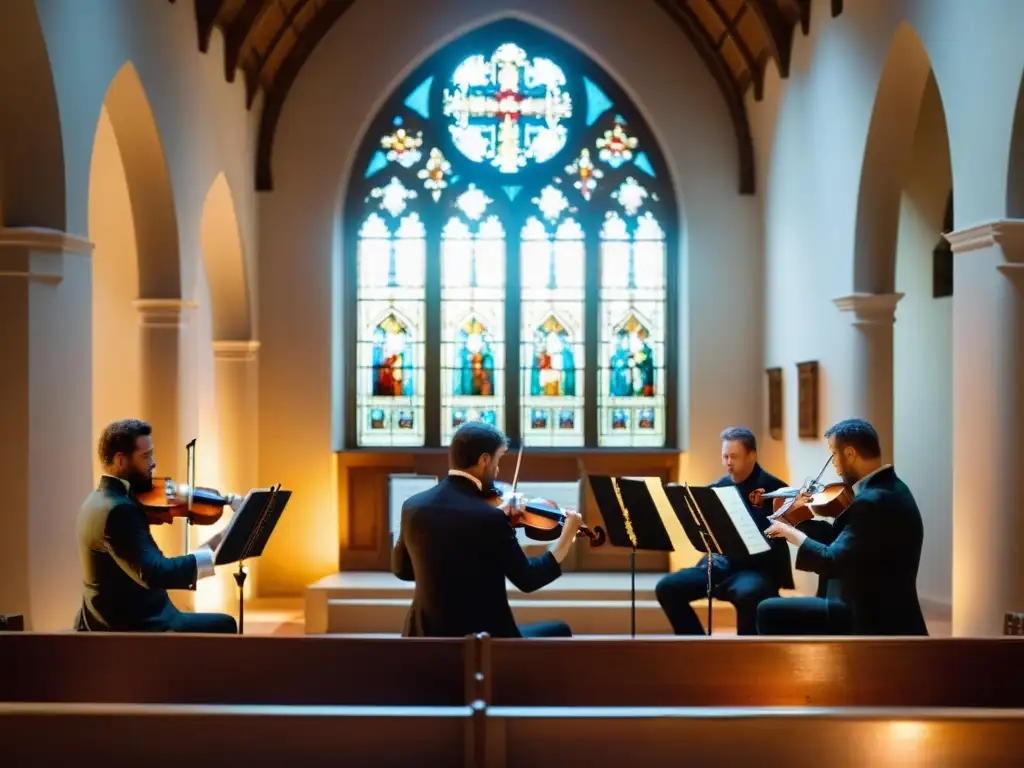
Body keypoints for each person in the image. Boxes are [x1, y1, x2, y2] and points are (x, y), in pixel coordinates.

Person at [392, 421, 582, 638]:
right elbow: (529, 579)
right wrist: (567, 535)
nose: (497, 469)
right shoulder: (489, 518)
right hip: (483, 643)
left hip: (424, 638)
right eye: (498, 459)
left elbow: (402, 570)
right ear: (484, 459)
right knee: (560, 630)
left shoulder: (413, 506)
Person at [757, 418, 928, 635]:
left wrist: (789, 532)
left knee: (767, 610)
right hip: (878, 605)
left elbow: (833, 560)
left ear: (850, 454)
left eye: (834, 454)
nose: (833, 463)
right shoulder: (890, 487)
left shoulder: (872, 501)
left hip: (867, 616)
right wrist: (798, 520)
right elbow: (844, 540)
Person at [74, 419, 238, 633]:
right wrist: (213, 551)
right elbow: (154, 573)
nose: (153, 463)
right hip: (136, 624)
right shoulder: (119, 510)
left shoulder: (97, 500)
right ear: (121, 460)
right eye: (146, 456)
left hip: (106, 617)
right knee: (226, 624)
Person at [655, 427, 792, 635]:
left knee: (750, 593)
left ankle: (745, 656)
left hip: (755, 570)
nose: (728, 462)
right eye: (725, 456)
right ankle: (696, 645)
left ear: (752, 455)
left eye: (734, 456)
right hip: (719, 566)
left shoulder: (776, 489)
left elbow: (779, 541)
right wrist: (679, 500)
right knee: (667, 587)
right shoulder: (718, 487)